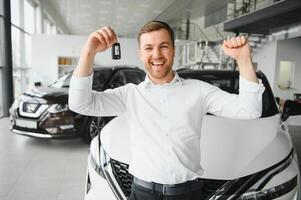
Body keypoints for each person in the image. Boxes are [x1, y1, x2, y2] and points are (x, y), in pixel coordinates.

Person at [69, 21, 265, 200]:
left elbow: (250, 110)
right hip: (142, 193)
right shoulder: (129, 95)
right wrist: (89, 52)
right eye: (148, 48)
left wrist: (244, 59)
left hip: (187, 194)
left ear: (173, 50)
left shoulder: (199, 90)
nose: (156, 55)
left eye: (163, 46)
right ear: (140, 54)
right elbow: (80, 104)